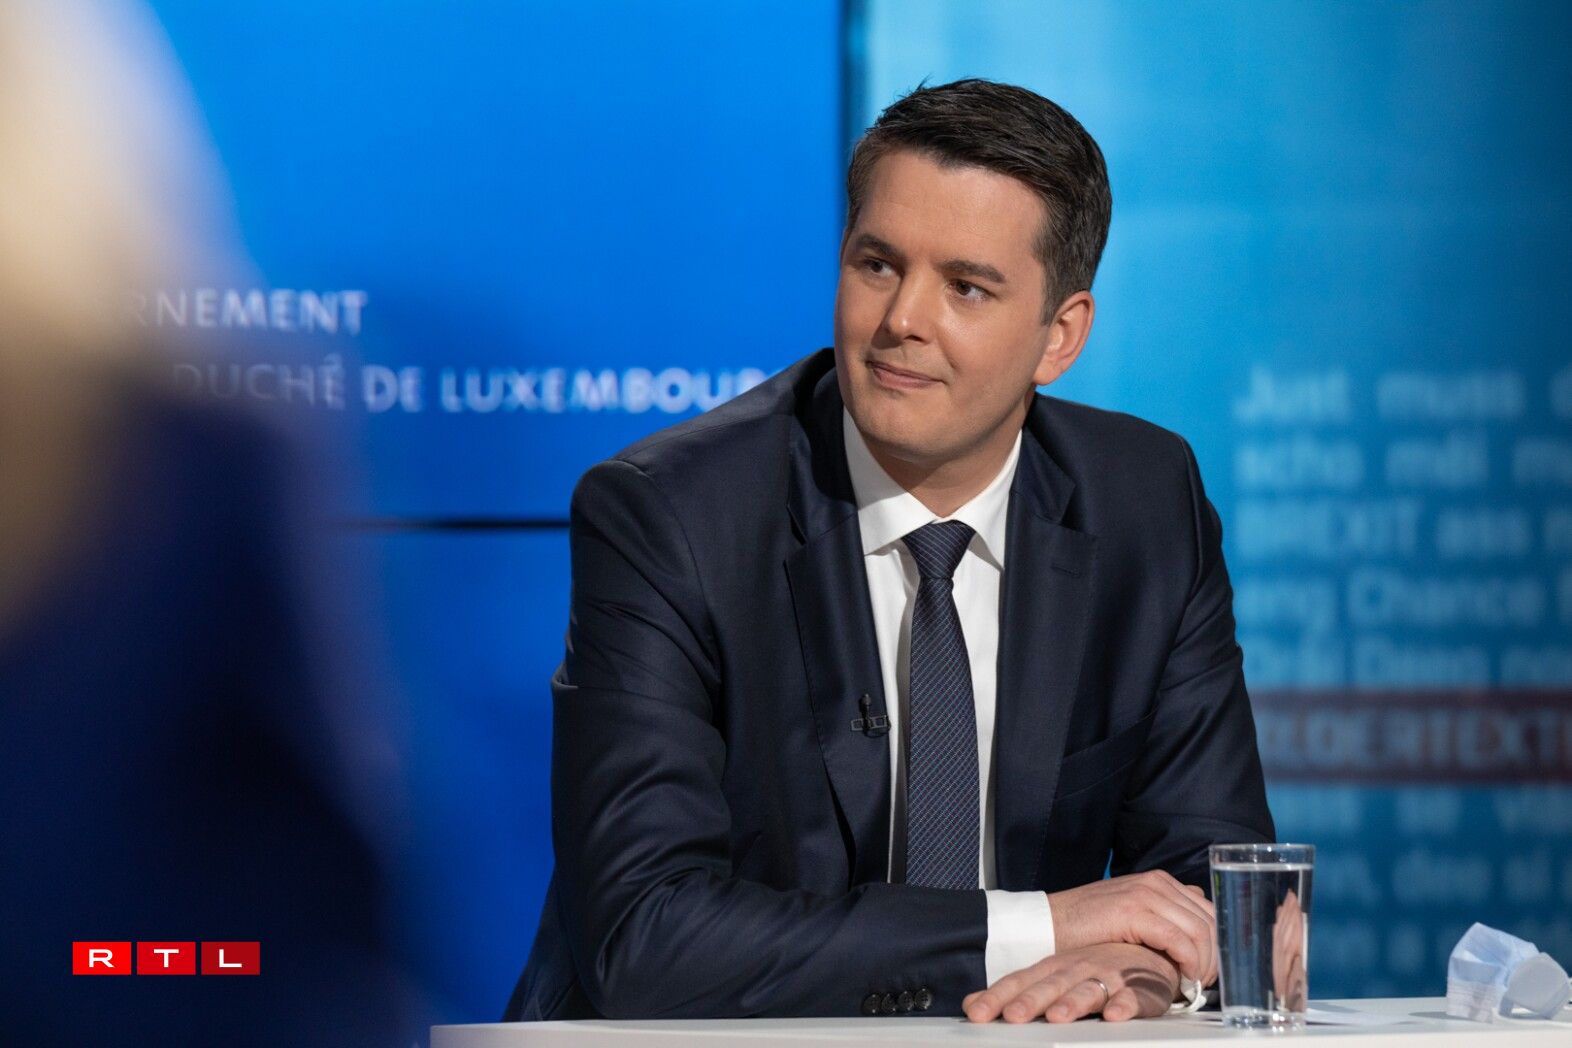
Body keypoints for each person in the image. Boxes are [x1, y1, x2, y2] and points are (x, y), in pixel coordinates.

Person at [507, 78, 1273, 1025]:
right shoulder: (672, 517)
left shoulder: (1145, 504)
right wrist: (1039, 930)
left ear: (1060, 336)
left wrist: (1147, 969)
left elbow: (1218, 884)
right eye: (877, 264)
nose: (902, 318)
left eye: (965, 287)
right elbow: (646, 936)